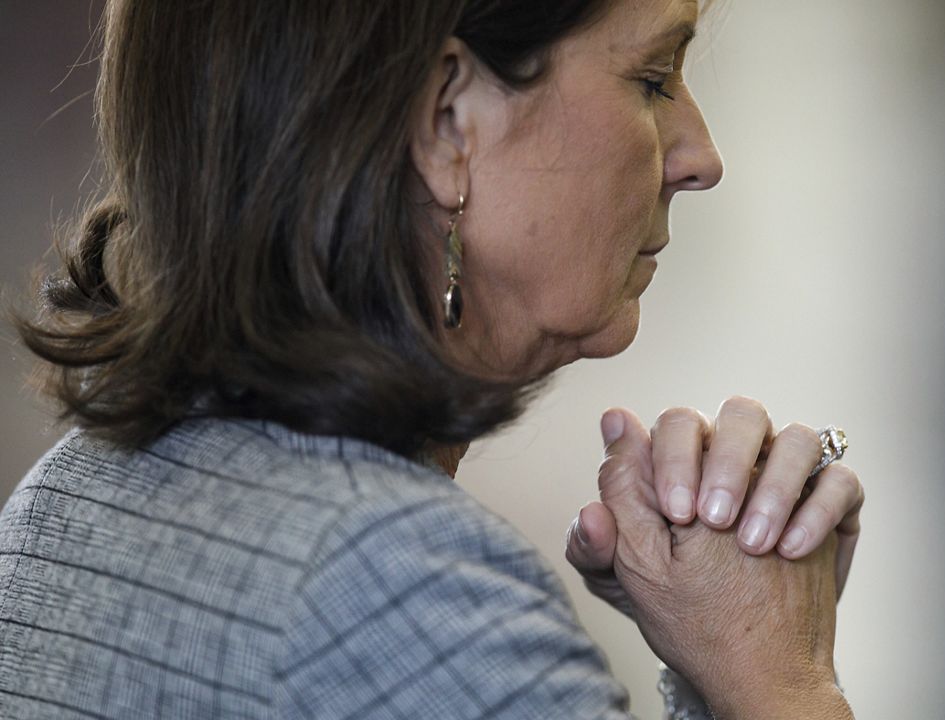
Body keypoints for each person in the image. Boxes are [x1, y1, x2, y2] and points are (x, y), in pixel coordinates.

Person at [0, 1, 864, 718]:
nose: (699, 156)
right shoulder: (400, 595)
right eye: (650, 79)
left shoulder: (60, 498)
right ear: (447, 122)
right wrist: (777, 681)